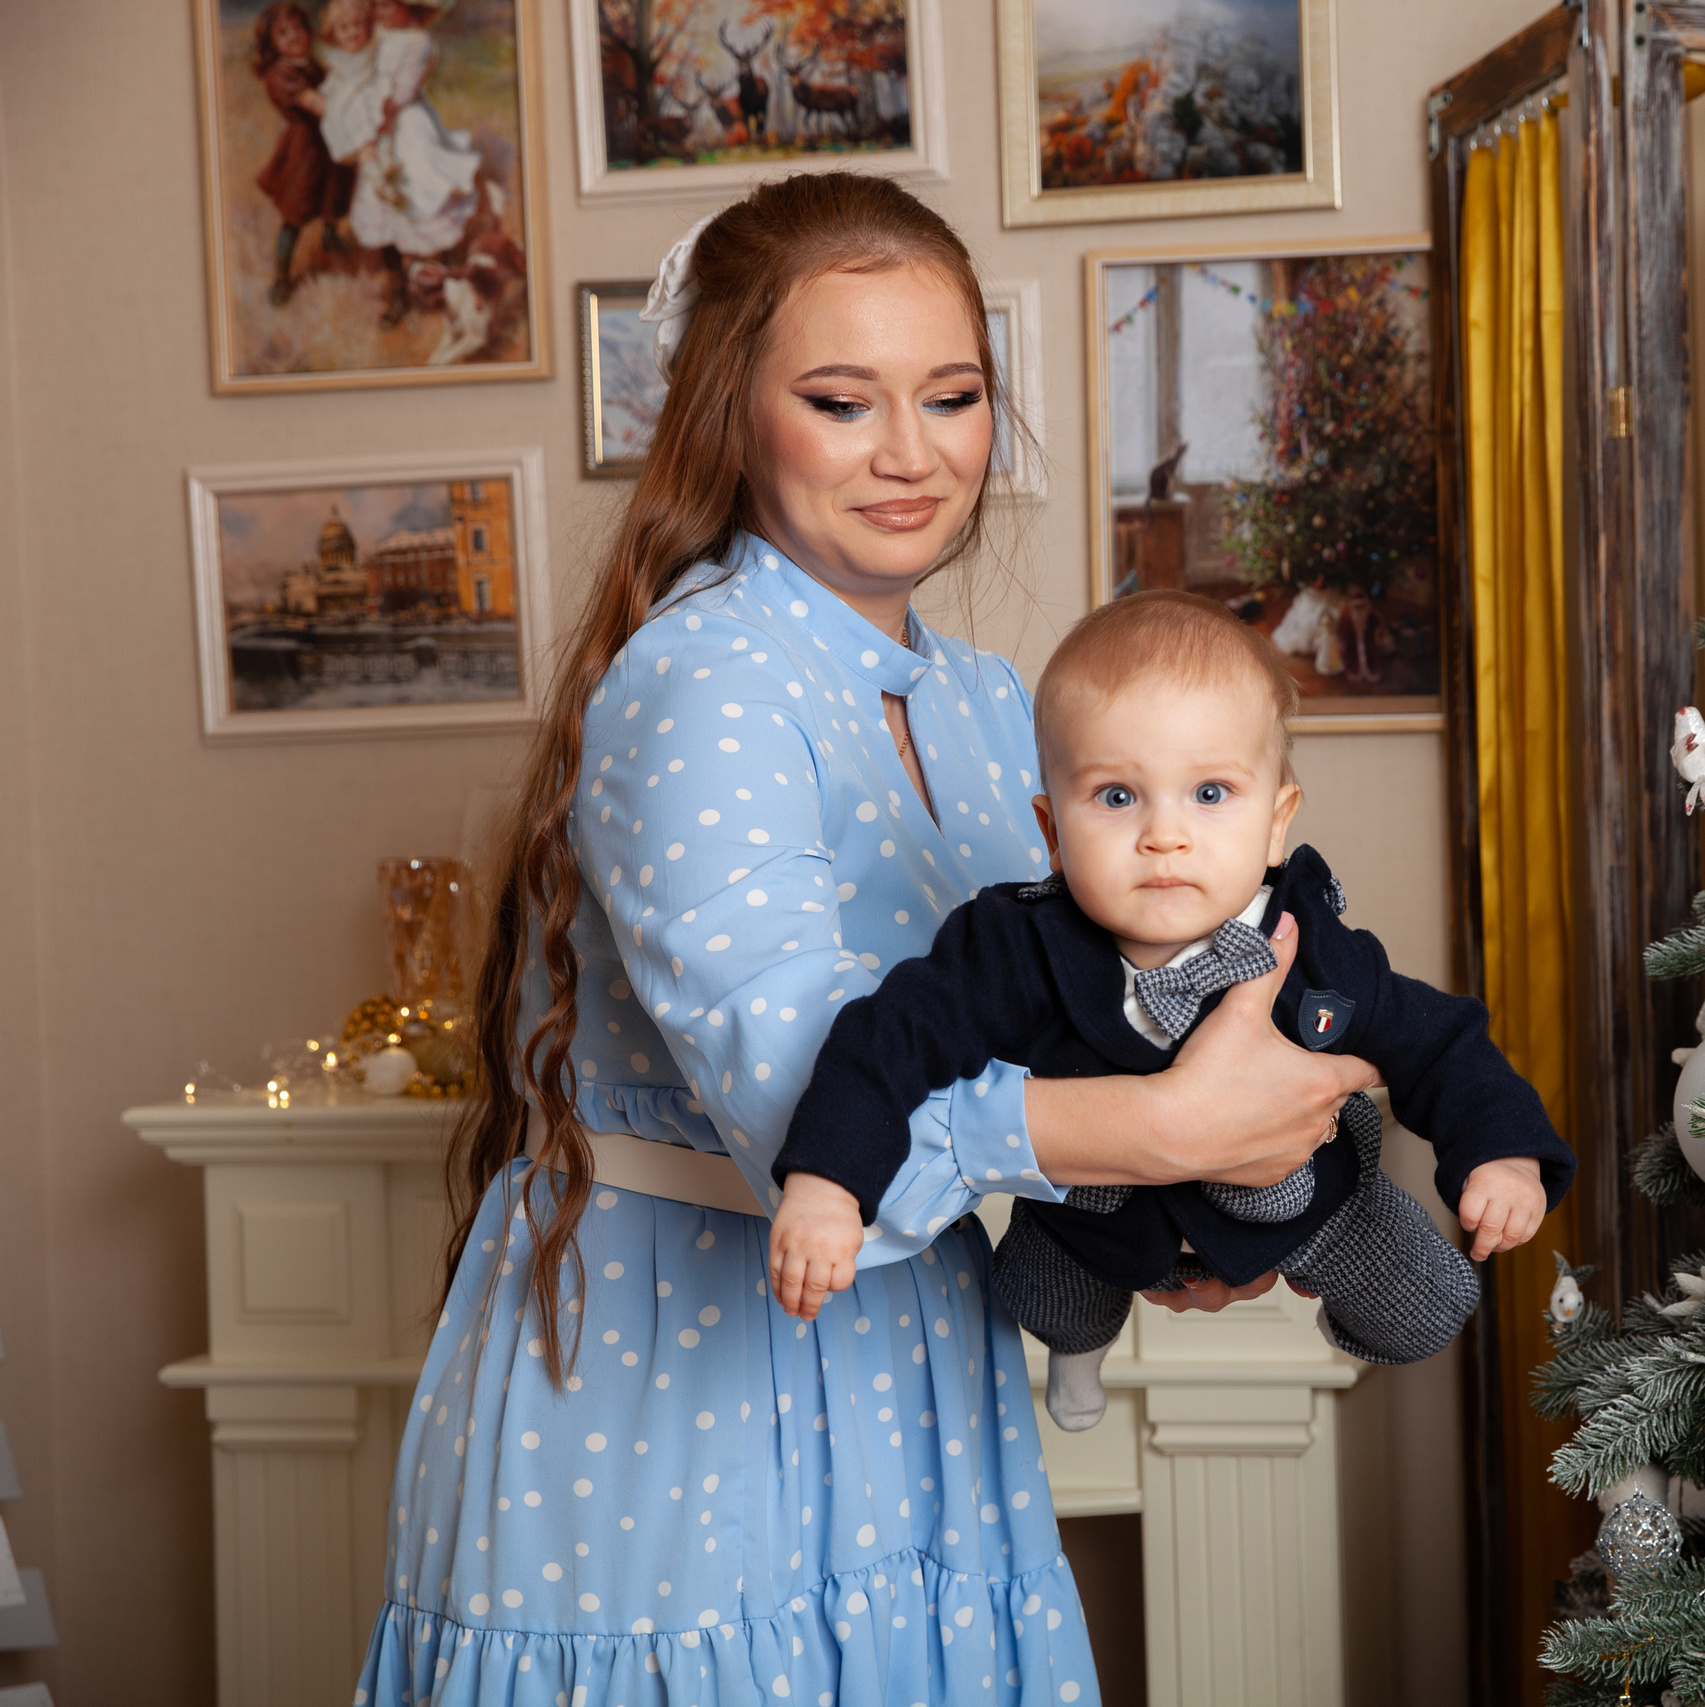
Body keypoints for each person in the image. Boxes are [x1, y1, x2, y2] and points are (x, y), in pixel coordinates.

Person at [353, 172, 1373, 1705]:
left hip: (903, 1358)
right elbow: (798, 1096)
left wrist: (1177, 1202)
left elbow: (1047, 1027)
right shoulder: (704, 680)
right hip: (680, 1373)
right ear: (731, 418)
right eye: (842, 400)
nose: (912, 453)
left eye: (952, 395)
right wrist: (1157, 1124)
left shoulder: (975, 698)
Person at [771, 591, 1576, 1430]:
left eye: (1211, 793)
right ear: (1051, 831)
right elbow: (886, 1038)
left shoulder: (1315, 943)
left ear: (1276, 821)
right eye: (1117, 797)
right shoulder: (1013, 946)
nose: (1165, 834)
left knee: (1425, 1306)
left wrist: (1504, 1156)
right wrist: (830, 1181)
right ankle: (1079, 1360)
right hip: (1095, 1221)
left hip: (1300, 1198)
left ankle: (1341, 1301)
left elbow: (1441, 1042)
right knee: (1044, 1297)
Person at [318, 0, 480, 328]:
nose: (381, 15)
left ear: (412, 6)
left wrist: (360, 126)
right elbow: (356, 66)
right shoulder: (377, 33)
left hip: (405, 128)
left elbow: (398, 98)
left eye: (389, 6)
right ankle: (399, 293)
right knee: (384, 210)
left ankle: (444, 284)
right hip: (374, 130)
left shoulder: (419, 42)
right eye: (376, 7)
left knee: (422, 203)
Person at [247, 2, 350, 306]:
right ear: (272, 44)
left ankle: (330, 235)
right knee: (296, 212)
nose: (292, 37)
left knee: (334, 191)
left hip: (330, 144)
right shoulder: (280, 76)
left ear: (309, 33)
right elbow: (319, 104)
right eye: (282, 33)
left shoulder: (311, 64)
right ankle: (281, 277)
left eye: (297, 30)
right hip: (304, 152)